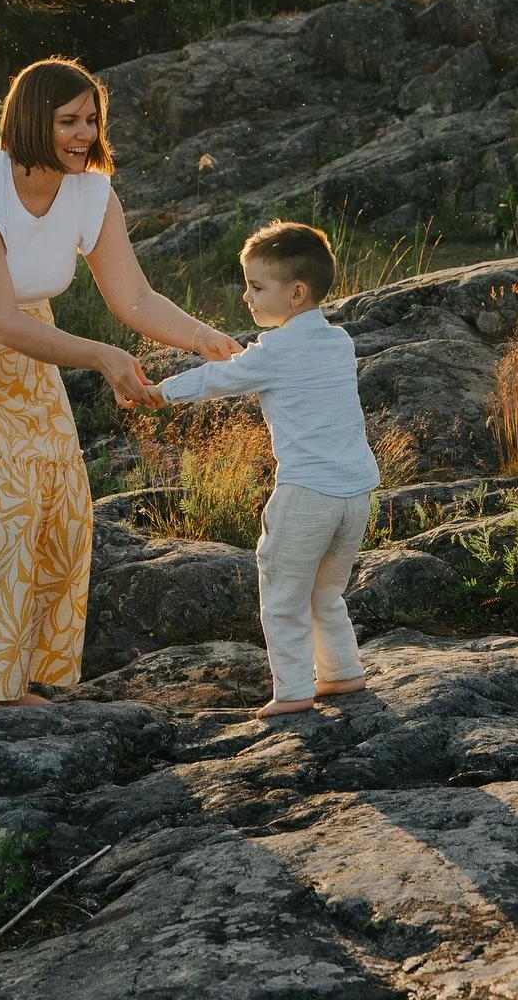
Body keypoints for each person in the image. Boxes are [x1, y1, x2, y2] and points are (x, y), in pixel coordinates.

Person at [0, 56, 239, 714]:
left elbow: (132, 294)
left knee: (59, 488)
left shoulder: (91, 191)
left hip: (26, 327)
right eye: (67, 120)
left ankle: (7, 673)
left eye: (91, 119)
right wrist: (101, 356)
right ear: (29, 122)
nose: (82, 133)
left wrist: (202, 338)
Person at [159, 219, 379, 718]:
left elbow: (219, 380)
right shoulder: (338, 340)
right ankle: (343, 672)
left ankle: (295, 688)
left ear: (296, 292)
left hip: (306, 494)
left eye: (257, 287)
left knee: (281, 589)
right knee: (326, 591)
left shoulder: (275, 351)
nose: (246, 296)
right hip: (355, 494)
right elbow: (266, 367)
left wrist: (160, 392)